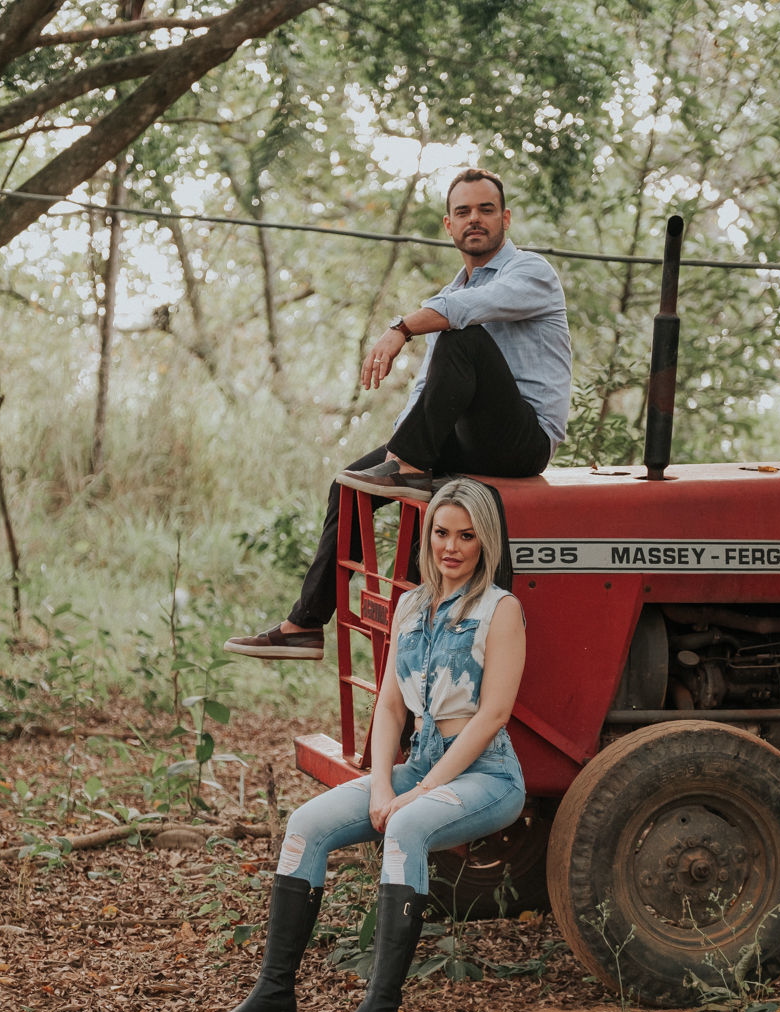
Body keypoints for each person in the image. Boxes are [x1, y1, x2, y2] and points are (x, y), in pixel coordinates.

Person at [210, 478, 527, 1012]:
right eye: (441, 532)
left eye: (466, 536)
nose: (450, 547)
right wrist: (382, 784)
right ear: (428, 536)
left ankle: (381, 1008)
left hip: (485, 774)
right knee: (306, 824)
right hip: (419, 763)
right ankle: (275, 992)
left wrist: (417, 793)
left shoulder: (501, 611)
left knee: (405, 826)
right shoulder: (410, 604)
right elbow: (388, 705)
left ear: (487, 543)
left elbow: (493, 715)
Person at [224, 166, 571, 661]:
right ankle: (304, 623)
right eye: (463, 211)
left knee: (461, 333)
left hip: (522, 441)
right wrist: (395, 450)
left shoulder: (531, 273)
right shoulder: (448, 295)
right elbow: (430, 389)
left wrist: (400, 329)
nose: (475, 219)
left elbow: (466, 312)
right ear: (448, 226)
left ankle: (410, 468)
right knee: (350, 484)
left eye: (486, 210)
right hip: (465, 437)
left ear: (506, 218)